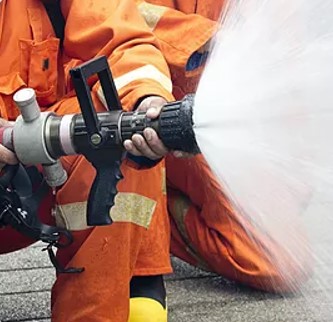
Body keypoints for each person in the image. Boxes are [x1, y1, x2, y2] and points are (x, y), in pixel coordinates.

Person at [0, 0, 175, 321]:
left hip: (26, 186)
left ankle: (109, 306)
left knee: (114, 131)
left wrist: (147, 99)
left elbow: (123, 42)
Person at [134, 0, 313, 293]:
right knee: (272, 260)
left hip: (219, 129)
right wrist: (206, 38)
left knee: (282, 263)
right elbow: (113, 19)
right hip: (149, 106)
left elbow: (285, 64)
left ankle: (162, 207)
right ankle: (143, 209)